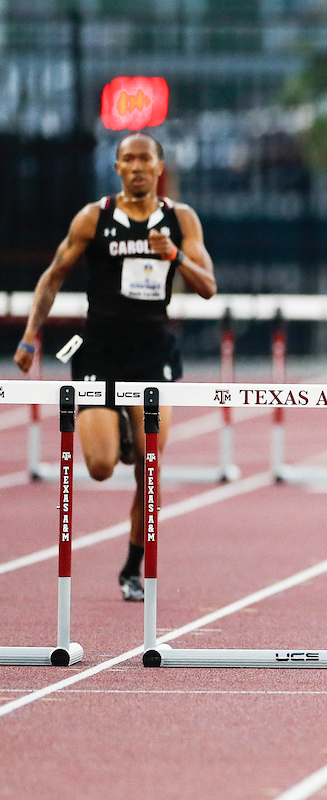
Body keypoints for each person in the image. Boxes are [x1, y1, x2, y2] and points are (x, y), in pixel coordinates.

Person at [13, 132, 217, 601]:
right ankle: (119, 432)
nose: (138, 167)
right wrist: (30, 336)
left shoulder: (181, 220)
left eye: (146, 159)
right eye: (128, 160)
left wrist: (175, 255)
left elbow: (208, 286)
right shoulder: (94, 217)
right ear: (119, 167)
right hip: (98, 348)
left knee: (151, 466)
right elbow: (52, 276)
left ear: (159, 166)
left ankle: (131, 568)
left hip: (152, 351)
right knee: (102, 466)